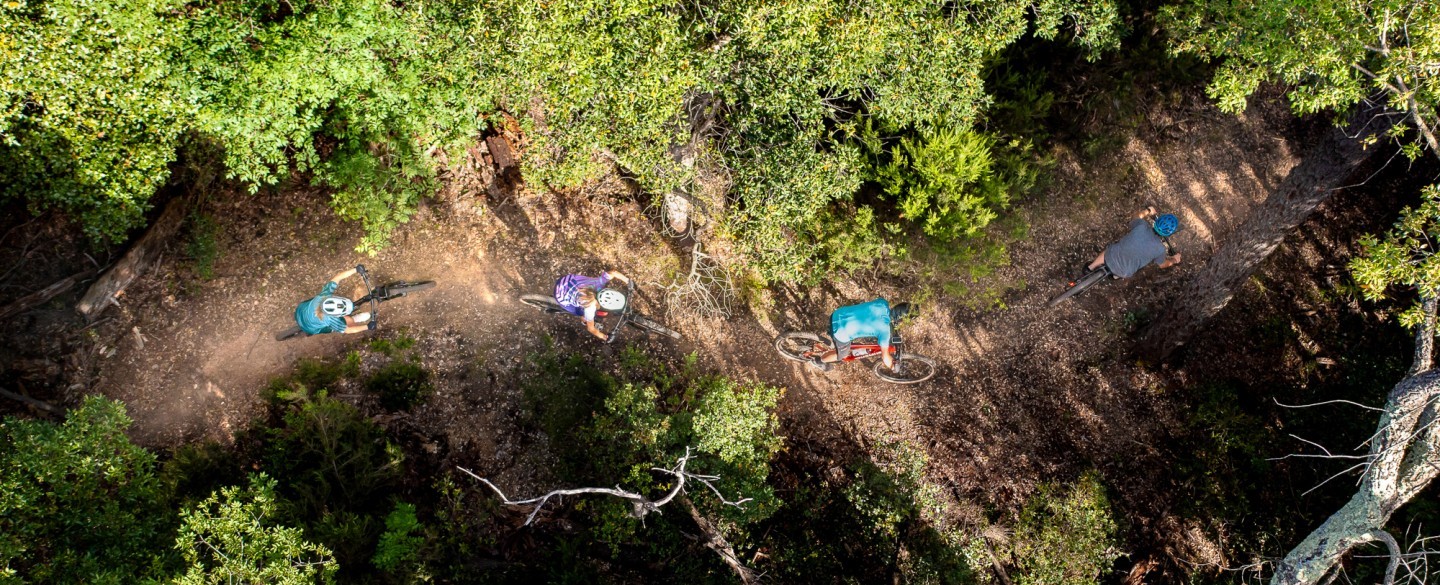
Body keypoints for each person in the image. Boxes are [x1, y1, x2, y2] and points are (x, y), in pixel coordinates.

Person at [1086, 206, 1182, 278]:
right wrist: (1173, 259)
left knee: (1107, 251)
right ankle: (1115, 276)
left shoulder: (1141, 226)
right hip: (1125, 272)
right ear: (1169, 233)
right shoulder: (1160, 249)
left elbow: (1136, 216)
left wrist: (1148, 210)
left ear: (1157, 222)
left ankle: (1090, 267)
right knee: (1122, 272)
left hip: (1110, 256)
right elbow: (1162, 264)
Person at [810, 298, 899, 372]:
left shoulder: (883, 302)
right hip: (840, 331)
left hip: (838, 313)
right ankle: (819, 361)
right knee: (843, 355)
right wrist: (893, 367)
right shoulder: (884, 331)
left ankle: (834, 344)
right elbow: (885, 357)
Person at [294, 266, 374, 335]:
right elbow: (348, 330)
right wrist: (367, 327)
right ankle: (356, 319)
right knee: (348, 320)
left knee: (313, 301)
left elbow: (337, 278)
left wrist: (355, 270)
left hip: (300, 311)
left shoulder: (323, 296)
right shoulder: (330, 320)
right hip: (311, 329)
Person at [554, 270, 631, 341]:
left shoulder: (599, 283)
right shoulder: (589, 309)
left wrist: (628, 281)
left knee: (588, 281)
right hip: (560, 295)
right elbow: (591, 328)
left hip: (567, 280)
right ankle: (583, 319)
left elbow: (613, 272)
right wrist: (603, 337)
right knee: (581, 313)